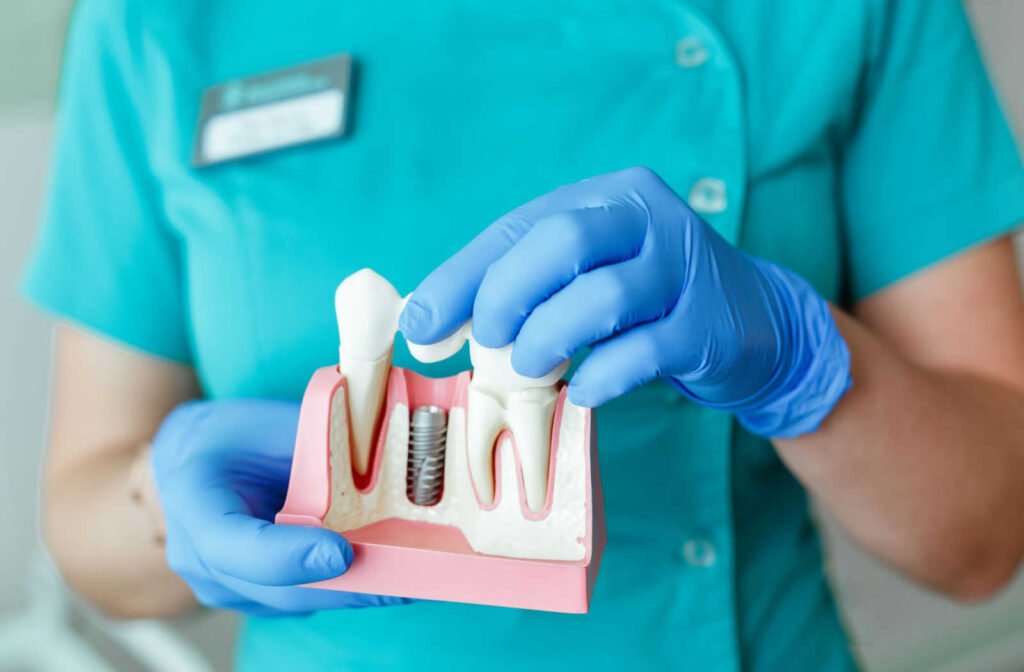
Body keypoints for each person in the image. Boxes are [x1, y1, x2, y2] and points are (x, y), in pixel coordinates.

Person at [22, 0, 1024, 669]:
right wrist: (161, 506)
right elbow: (83, 520)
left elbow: (988, 536)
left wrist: (802, 363)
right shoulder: (152, 19)